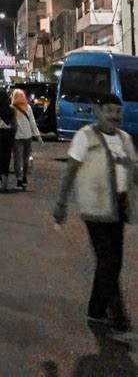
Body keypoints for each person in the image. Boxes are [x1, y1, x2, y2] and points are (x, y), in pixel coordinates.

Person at [53, 93, 136, 331]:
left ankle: (96, 309)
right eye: (109, 110)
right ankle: (117, 312)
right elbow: (70, 171)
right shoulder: (85, 136)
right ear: (97, 111)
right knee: (108, 260)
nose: (114, 116)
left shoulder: (125, 138)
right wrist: (61, 203)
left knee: (114, 261)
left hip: (118, 207)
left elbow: (134, 171)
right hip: (94, 207)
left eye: (118, 111)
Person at [11, 87, 42, 190]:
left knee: (17, 159)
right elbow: (32, 122)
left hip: (17, 136)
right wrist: (37, 135)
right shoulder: (27, 107)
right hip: (28, 136)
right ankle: (24, 178)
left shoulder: (12, 108)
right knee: (25, 158)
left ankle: (19, 179)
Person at [0, 89, 16, 191]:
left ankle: (0, 179)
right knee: (7, 157)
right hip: (9, 134)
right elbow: (14, 124)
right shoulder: (11, 110)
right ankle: (5, 178)